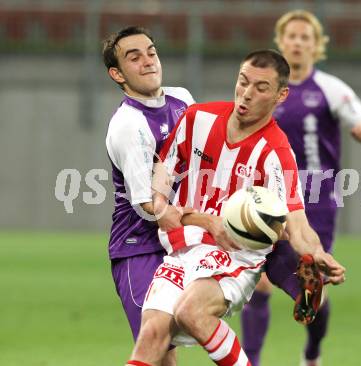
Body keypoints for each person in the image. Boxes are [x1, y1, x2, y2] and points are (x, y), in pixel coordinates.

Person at [125, 49, 346, 366]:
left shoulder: (277, 154)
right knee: (152, 336)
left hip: (236, 253)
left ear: (281, 95)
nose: (246, 94)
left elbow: (296, 221)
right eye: (243, 82)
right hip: (182, 250)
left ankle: (297, 279)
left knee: (192, 312)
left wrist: (318, 252)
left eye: (261, 88)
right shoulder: (196, 119)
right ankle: (295, 282)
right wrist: (173, 212)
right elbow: (158, 189)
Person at [240, 10, 361, 366]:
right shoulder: (264, 88)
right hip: (268, 198)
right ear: (281, 41)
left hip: (316, 200)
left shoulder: (330, 89)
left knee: (312, 285)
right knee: (258, 282)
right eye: (291, 35)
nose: (297, 42)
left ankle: (312, 351)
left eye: (305, 37)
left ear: (316, 46)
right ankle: (252, 361)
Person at [102, 26, 195, 365]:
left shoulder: (182, 99)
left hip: (179, 240)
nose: (147, 61)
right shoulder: (129, 124)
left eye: (151, 52)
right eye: (134, 56)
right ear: (117, 74)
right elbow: (148, 206)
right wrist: (210, 221)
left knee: (169, 344)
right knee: (155, 348)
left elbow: (205, 152)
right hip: (139, 248)